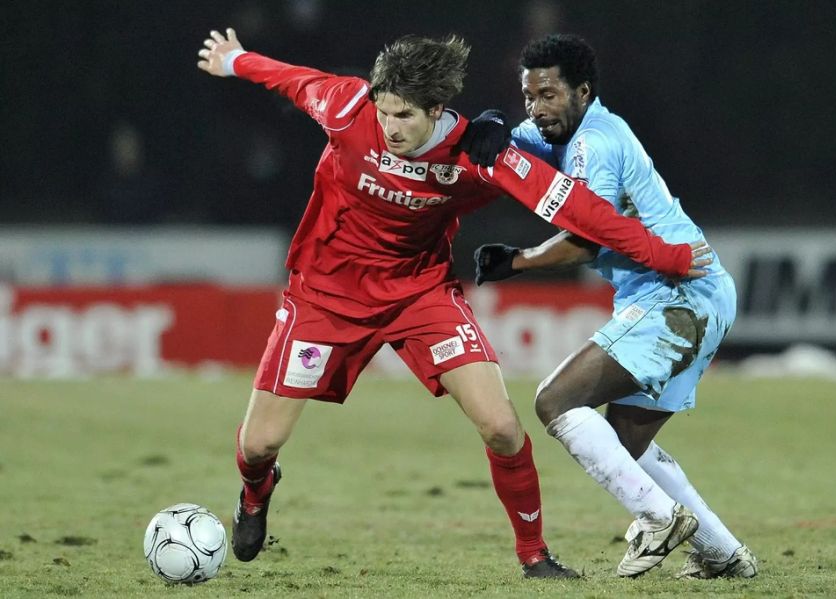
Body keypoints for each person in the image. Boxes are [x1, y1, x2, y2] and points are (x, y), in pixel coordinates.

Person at [196, 28, 710, 578]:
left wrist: (667, 254)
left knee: (502, 428)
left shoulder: (478, 152)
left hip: (420, 292)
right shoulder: (347, 105)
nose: (388, 127)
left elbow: (580, 211)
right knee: (259, 444)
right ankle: (256, 493)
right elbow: (289, 79)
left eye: (404, 117)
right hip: (324, 293)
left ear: (436, 110)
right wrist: (236, 60)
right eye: (384, 111)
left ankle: (534, 556)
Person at [470, 33, 758, 579]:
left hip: (675, 297)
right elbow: (510, 142)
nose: (537, 108)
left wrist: (521, 261)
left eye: (549, 94)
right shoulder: (560, 129)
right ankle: (722, 553)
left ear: (582, 91)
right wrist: (487, 121)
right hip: (706, 294)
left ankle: (658, 519)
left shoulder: (595, 143)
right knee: (626, 439)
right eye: (529, 95)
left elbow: (587, 237)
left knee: (555, 401)